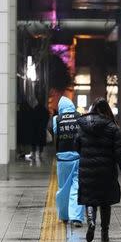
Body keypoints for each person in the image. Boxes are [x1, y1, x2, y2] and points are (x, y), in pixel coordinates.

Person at [76, 98, 121, 242]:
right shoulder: (113, 127)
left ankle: (91, 222)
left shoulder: (82, 125)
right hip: (106, 170)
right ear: (107, 110)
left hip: (87, 169)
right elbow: (119, 152)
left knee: (90, 200)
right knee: (105, 202)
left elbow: (77, 145)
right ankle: (104, 233)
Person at [53, 96, 85, 227]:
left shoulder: (57, 119)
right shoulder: (79, 117)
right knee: (77, 186)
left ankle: (65, 215)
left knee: (63, 187)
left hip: (63, 158)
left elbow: (54, 132)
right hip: (78, 157)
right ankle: (76, 217)